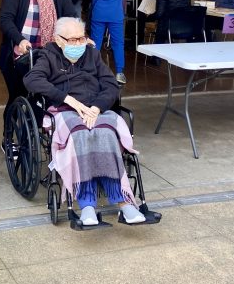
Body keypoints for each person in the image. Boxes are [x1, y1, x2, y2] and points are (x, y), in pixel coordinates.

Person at [23, 17, 145, 226]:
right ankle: (87, 205)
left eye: (81, 38)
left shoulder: (92, 54)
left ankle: (124, 203)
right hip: (64, 110)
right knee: (80, 135)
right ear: (58, 40)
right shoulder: (49, 56)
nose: (79, 44)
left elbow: (110, 84)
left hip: (95, 109)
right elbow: (32, 79)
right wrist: (67, 99)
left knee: (106, 133)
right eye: (72, 40)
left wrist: (97, 107)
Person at [0, 0, 74, 117]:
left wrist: (79, 36)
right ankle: (9, 131)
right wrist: (20, 40)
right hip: (22, 55)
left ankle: (39, 126)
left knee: (45, 100)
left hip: (51, 55)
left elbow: (71, 17)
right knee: (18, 97)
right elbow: (5, 19)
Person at [88, 0, 129, 84]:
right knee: (118, 43)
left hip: (98, 13)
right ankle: (119, 73)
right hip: (115, 14)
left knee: (96, 42)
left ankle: (92, 71)